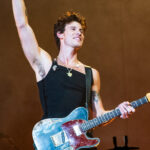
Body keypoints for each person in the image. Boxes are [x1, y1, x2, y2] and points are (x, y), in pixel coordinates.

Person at [12, 0, 135, 149]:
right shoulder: (45, 65)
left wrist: (117, 111)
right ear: (60, 34)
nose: (79, 32)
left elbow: (99, 115)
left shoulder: (91, 74)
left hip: (83, 145)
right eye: (73, 29)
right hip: (53, 144)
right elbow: (22, 26)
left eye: (81, 30)